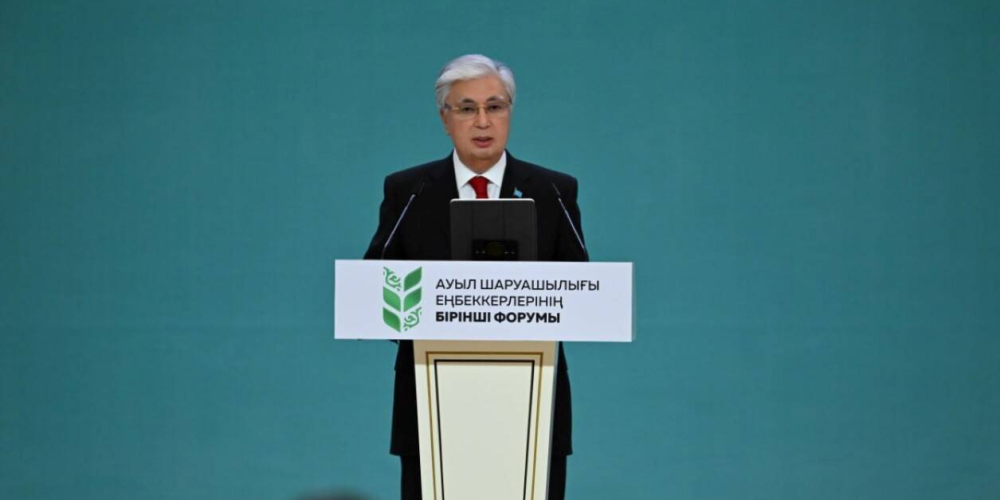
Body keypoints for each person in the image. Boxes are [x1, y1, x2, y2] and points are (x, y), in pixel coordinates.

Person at [363, 54, 587, 500]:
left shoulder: (553, 191)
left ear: (509, 113)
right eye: (467, 108)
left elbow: (579, 293)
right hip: (432, 398)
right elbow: (375, 289)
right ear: (445, 119)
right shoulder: (409, 190)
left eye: (495, 107)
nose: (483, 121)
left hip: (531, 397)